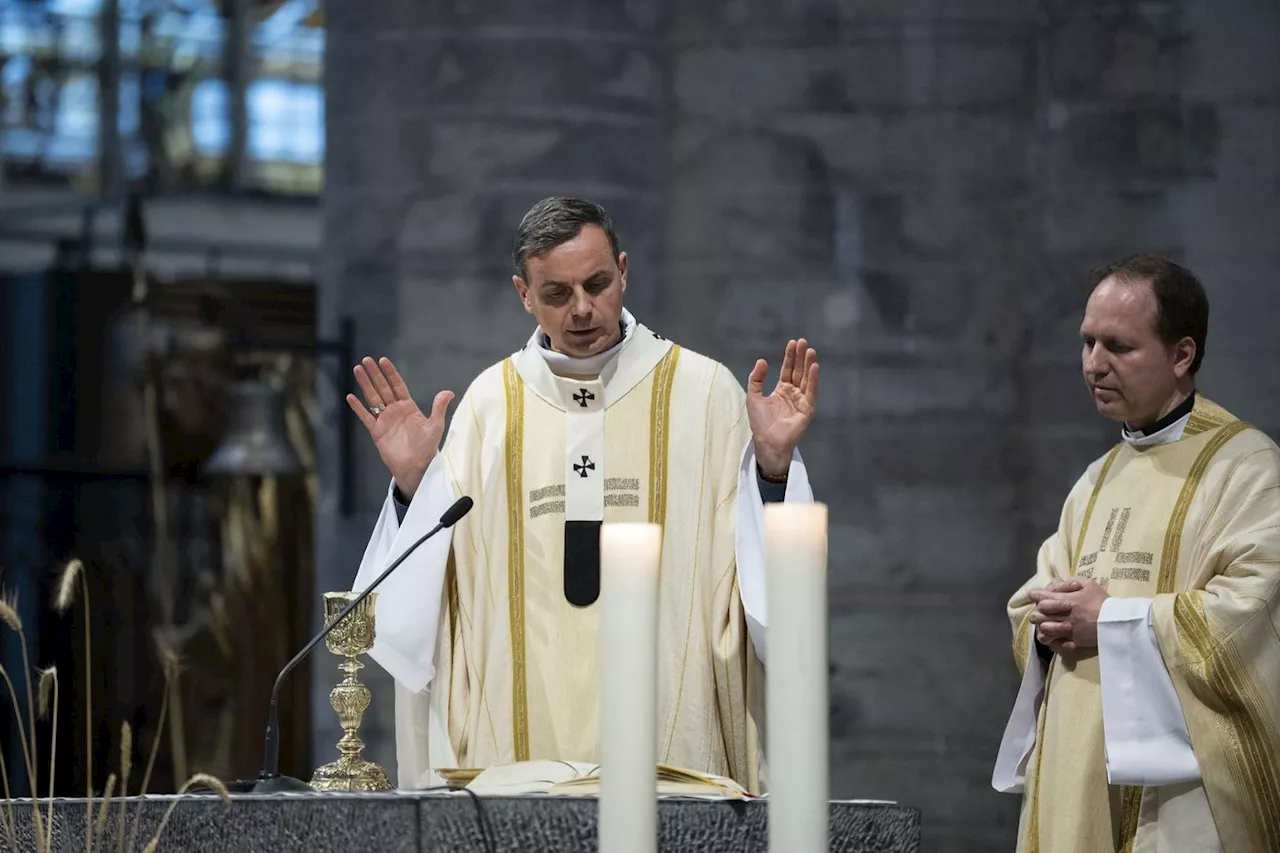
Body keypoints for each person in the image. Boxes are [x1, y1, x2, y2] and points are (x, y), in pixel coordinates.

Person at [346, 197, 820, 792]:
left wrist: (772, 467)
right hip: (518, 755)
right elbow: (427, 603)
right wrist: (415, 484)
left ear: (624, 269)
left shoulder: (703, 394)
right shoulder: (490, 408)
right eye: (556, 293)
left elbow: (760, 580)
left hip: (673, 744)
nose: (582, 310)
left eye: (597, 284)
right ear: (523, 293)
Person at [992, 254, 1280, 852]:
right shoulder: (1096, 479)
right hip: (1080, 778)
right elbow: (1034, 603)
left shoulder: (1246, 467)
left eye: (1119, 347)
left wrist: (1114, 620)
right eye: (1087, 343)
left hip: (1178, 801)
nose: (1094, 365)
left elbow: (1250, 616)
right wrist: (1046, 620)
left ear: (1182, 354)